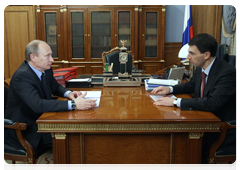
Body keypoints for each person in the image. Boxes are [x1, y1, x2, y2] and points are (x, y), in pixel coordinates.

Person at [151, 33, 238, 170]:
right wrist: (169, 89)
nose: (187, 57)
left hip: (221, 129)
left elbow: (212, 103)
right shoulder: (200, 69)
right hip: (204, 119)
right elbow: (190, 86)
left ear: (206, 55)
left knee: (183, 141)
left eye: (191, 53)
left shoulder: (227, 73)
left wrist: (175, 102)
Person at [4, 40, 96, 152]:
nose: (52, 60)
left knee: (78, 131)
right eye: (47, 56)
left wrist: (69, 93)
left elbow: (55, 87)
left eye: (51, 55)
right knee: (73, 137)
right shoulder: (22, 76)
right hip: (27, 130)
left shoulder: (46, 69)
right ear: (33, 57)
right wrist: (73, 104)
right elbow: (38, 105)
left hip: (43, 119)